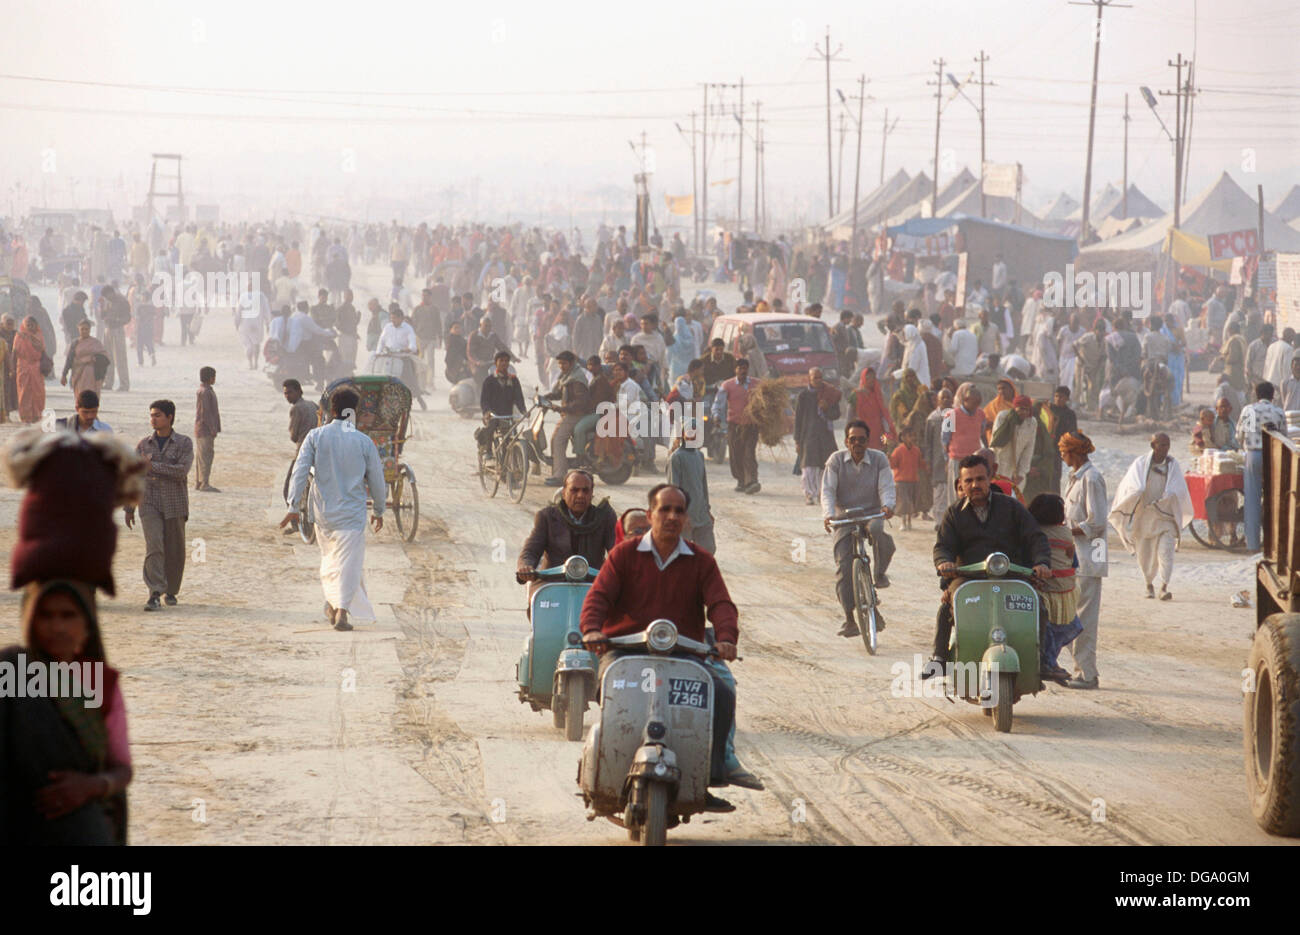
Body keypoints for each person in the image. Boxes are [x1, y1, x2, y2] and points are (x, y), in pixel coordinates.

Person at [1, 428, 143, 844]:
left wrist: (90, 786)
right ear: (29, 619)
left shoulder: (103, 682)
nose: (58, 626)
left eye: (68, 615)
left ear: (88, 623)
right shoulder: (10, 674)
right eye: (45, 615)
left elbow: (122, 768)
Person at [579, 484, 741, 812]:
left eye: (678, 511)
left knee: (722, 694)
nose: (671, 517)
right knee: (610, 693)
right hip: (625, 652)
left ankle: (707, 777)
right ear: (650, 513)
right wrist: (592, 629)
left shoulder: (701, 561)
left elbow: (721, 603)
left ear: (686, 518)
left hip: (683, 654)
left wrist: (725, 637)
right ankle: (603, 773)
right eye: (664, 510)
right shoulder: (624, 555)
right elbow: (598, 596)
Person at [925, 454, 1050, 678]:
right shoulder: (953, 514)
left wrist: (1041, 563)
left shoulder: (1012, 508)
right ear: (960, 484)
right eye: (969, 481)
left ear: (989, 478)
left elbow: (1035, 538)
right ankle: (939, 658)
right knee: (947, 608)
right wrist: (945, 566)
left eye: (980, 479)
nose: (975, 485)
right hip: (968, 578)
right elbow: (943, 546)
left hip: (1011, 575)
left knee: (1038, 604)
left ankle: (1044, 660)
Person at [281, 388, 386, 632]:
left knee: (330, 561)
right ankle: (341, 611)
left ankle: (334, 604)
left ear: (331, 411)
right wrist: (379, 511)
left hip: (324, 514)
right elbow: (377, 480)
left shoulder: (315, 437)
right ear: (353, 412)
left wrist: (293, 505)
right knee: (349, 563)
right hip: (352, 515)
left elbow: (300, 471)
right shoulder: (363, 442)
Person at [823, 419, 897, 637]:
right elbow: (827, 490)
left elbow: (886, 486)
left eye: (862, 440)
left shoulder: (879, 459)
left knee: (878, 533)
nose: (857, 443)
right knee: (844, 568)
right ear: (846, 441)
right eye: (853, 439)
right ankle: (849, 619)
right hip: (843, 516)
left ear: (868, 441)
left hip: (871, 513)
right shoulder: (835, 461)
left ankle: (879, 573)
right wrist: (828, 515)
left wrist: (888, 506)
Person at [124, 400, 194, 612]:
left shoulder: (184, 443)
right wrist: (129, 507)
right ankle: (154, 592)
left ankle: (171, 590)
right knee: (154, 546)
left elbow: (181, 471)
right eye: (151, 415)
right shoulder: (143, 445)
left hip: (175, 503)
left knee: (174, 549)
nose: (153, 419)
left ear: (170, 417)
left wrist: (152, 466)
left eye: (157, 415)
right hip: (149, 501)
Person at [1108, 433, 1193, 601]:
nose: (1165, 449)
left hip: (1165, 517)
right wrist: (1138, 491)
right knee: (1145, 555)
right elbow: (1130, 485)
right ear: (1153, 445)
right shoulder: (1140, 464)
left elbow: (1179, 488)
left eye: (1167, 445)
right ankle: (1149, 584)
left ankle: (1164, 587)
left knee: (1166, 552)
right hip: (1144, 517)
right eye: (1161, 445)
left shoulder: (1172, 465)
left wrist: (1168, 496)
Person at [1058, 431, 1109, 690]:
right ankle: (1078, 667)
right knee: (1068, 615)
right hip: (1075, 559)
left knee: (1085, 621)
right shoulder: (1075, 479)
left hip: (1089, 560)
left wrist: (1068, 532)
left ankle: (1087, 674)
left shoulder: (1092, 479)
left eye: (1064, 451)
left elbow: (1097, 522)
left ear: (1075, 452)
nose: (1062, 455)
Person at [516, 470, 617, 587]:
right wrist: (525, 566)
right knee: (536, 603)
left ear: (592, 494)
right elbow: (531, 549)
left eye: (585, 490)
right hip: (551, 584)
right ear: (564, 493)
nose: (580, 495)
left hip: (594, 585)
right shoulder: (546, 517)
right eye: (574, 490)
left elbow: (616, 550)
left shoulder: (605, 517)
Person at [1027, 493, 1083, 684]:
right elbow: (1074, 561)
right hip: (1068, 593)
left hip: (1047, 593)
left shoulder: (1034, 533)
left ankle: (1047, 662)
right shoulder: (1066, 533)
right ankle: (1051, 661)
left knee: (1044, 628)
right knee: (1064, 628)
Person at [1237, 382, 1286, 552]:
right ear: (1272, 395)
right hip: (1273, 456)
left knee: (1252, 500)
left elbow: (1242, 435)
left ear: (1256, 394)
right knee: (1273, 499)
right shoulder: (1279, 412)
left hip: (1254, 454)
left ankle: (1252, 544)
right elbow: (1284, 437)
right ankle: (1272, 543)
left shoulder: (1249, 410)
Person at [666, 420, 716, 554]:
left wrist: (708, 510)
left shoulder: (699, 456)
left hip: (701, 514)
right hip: (684, 516)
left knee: (709, 549)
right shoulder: (676, 458)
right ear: (683, 434)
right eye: (690, 432)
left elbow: (703, 486)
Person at [794, 367, 841, 506]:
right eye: (815, 378)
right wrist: (797, 440)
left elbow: (836, 414)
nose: (818, 380)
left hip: (825, 436)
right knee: (808, 467)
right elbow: (798, 419)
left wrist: (827, 409)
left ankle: (822, 493)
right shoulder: (803, 396)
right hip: (808, 436)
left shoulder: (829, 394)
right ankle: (809, 494)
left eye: (820, 377)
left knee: (824, 466)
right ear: (809, 379)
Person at [713, 357, 760, 494]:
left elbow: (767, 398)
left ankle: (752, 481)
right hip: (734, 425)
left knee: (749, 453)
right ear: (735, 370)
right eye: (740, 368)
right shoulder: (727, 385)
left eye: (745, 368)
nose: (742, 371)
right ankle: (741, 480)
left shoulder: (757, 384)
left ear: (748, 369)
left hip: (751, 425)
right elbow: (718, 402)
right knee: (735, 454)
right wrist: (716, 415)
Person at [989, 394, 1037, 491]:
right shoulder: (1003, 417)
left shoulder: (1031, 423)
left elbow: (1029, 449)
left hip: (1015, 470)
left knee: (1014, 498)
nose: (1023, 412)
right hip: (998, 464)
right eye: (1021, 409)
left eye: (1026, 409)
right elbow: (996, 442)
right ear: (1015, 408)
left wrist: (1021, 473)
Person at [924, 387, 954, 526]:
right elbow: (927, 442)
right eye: (944, 398)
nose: (946, 400)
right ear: (938, 400)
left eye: (949, 397)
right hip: (937, 461)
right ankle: (939, 521)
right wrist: (928, 461)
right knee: (939, 491)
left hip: (953, 459)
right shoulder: (932, 418)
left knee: (952, 490)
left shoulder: (954, 416)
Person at [13, 316, 46, 424]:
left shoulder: (39, 336)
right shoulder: (19, 336)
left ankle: (37, 414)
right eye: (28, 325)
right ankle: (25, 416)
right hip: (22, 367)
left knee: (38, 392)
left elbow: (42, 350)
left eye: (32, 324)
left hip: (36, 368)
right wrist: (12, 369)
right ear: (24, 325)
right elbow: (14, 353)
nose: (30, 327)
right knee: (24, 392)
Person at [194, 366, 221, 493]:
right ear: (210, 378)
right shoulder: (205, 392)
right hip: (205, 429)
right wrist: (212, 428)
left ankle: (199, 482)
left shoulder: (204, 390)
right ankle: (204, 483)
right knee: (206, 456)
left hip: (201, 428)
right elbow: (206, 413)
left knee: (201, 456)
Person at [853, 367, 895, 450]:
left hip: (879, 434)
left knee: (884, 453)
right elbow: (850, 418)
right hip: (863, 436)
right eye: (868, 378)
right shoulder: (856, 396)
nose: (871, 380)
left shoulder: (879, 395)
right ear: (863, 379)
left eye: (873, 377)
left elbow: (885, 417)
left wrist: (888, 437)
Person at [98, 286, 131, 392]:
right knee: (108, 358)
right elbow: (103, 316)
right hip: (108, 329)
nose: (107, 298)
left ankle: (124, 384)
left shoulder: (122, 301)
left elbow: (127, 318)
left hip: (117, 330)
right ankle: (108, 382)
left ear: (112, 293)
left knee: (120, 359)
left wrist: (116, 320)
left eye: (107, 296)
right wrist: (101, 306)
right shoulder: (107, 301)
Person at [889, 427, 922, 530]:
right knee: (904, 503)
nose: (912, 438)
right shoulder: (898, 450)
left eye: (913, 436)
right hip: (901, 480)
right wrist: (889, 458)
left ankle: (909, 521)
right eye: (909, 436)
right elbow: (892, 465)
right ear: (903, 437)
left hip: (913, 480)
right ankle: (903, 522)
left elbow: (920, 464)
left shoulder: (916, 450)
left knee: (911, 502)